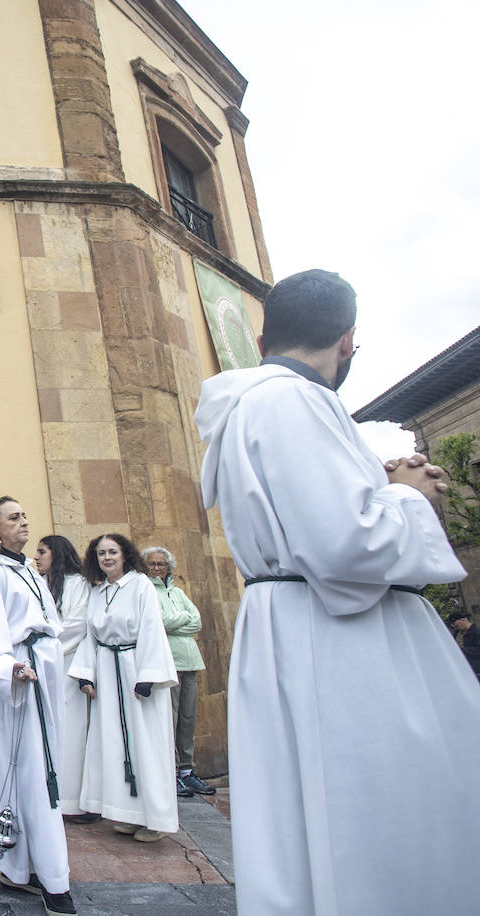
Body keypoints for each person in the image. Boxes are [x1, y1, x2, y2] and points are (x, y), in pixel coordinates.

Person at [195, 268, 479, 915]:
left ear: (264, 335)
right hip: (340, 641)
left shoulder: (262, 403)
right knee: (373, 832)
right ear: (347, 342)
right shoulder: (291, 401)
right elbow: (345, 545)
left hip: (303, 624)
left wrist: (385, 493)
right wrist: (409, 497)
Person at [0, 498, 77, 916]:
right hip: (16, 683)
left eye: (24, 515)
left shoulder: (29, 570)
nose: (24, 522)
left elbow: (50, 623)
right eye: (14, 518)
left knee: (43, 770)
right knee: (32, 775)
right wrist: (10, 667)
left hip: (43, 675)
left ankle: (20, 869)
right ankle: (54, 881)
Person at [68, 534, 178, 843]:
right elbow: (91, 636)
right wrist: (86, 675)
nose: (107, 558)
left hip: (135, 668)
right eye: (101, 553)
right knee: (115, 743)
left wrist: (148, 676)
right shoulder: (99, 591)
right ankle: (129, 813)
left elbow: (152, 628)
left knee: (145, 742)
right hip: (107, 667)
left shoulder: (140, 585)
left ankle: (155, 818)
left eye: (112, 552)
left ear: (125, 554)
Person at [142, 546, 212, 798]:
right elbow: (158, 622)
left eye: (161, 564)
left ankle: (186, 769)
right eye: (153, 564)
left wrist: (177, 620)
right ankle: (169, 772)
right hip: (168, 662)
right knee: (168, 719)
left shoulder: (178, 592)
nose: (157, 568)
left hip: (190, 660)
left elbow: (198, 621)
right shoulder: (146, 589)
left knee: (187, 718)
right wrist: (181, 619)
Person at [35, 534, 96, 823]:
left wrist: (45, 640)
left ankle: (73, 800)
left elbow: (76, 624)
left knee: (72, 732)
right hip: (48, 664)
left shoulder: (77, 584)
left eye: (42, 552)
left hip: (68, 664)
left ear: (56, 555)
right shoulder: (42, 584)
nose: (37, 557)